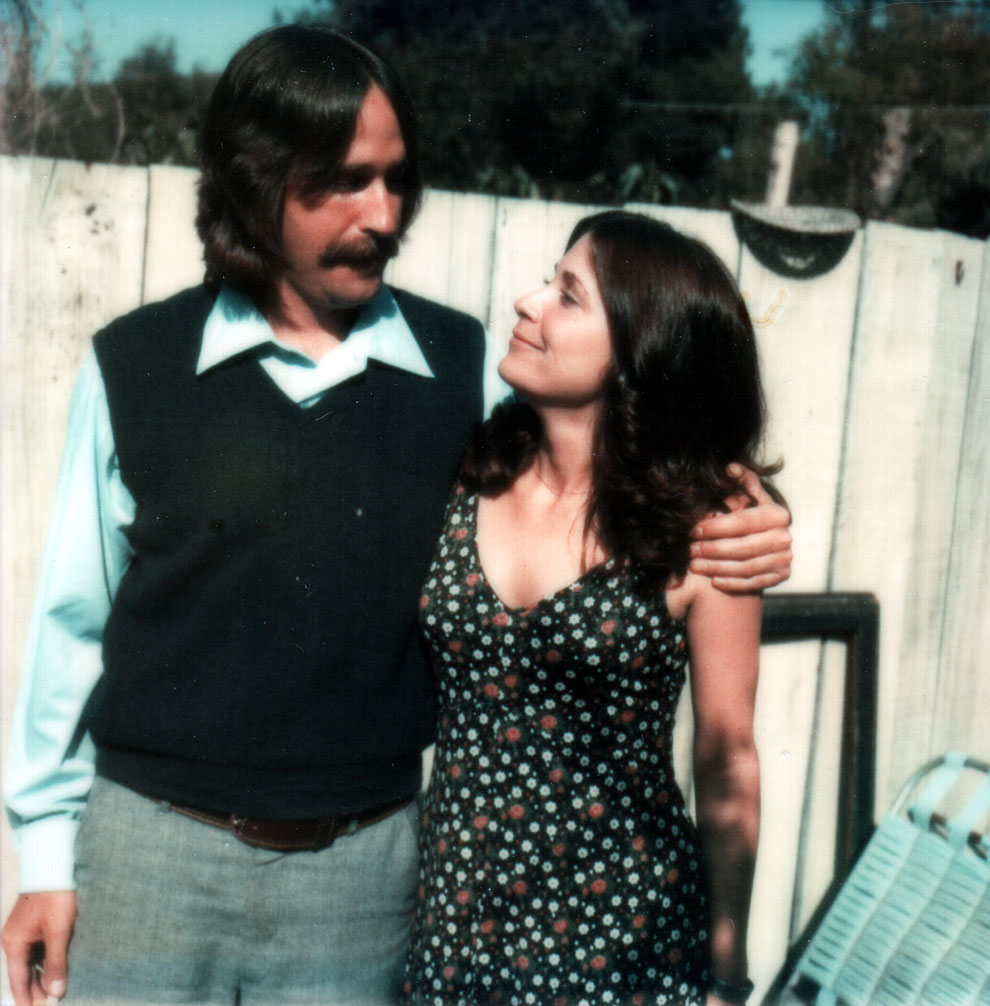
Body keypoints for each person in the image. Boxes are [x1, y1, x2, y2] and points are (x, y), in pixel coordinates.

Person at [1, 27, 792, 1006]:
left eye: (397, 180)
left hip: (363, 886)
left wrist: (753, 512)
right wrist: (44, 856)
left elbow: (628, 440)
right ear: (255, 184)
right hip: (151, 859)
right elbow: (72, 624)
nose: (383, 216)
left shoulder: (463, 375)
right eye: (345, 181)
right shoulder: (135, 366)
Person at [402, 211, 773, 1006]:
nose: (527, 302)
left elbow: (727, 760)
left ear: (641, 351)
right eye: (548, 281)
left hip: (626, 947)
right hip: (456, 932)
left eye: (567, 296)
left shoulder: (709, 530)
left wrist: (725, 976)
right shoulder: (469, 473)